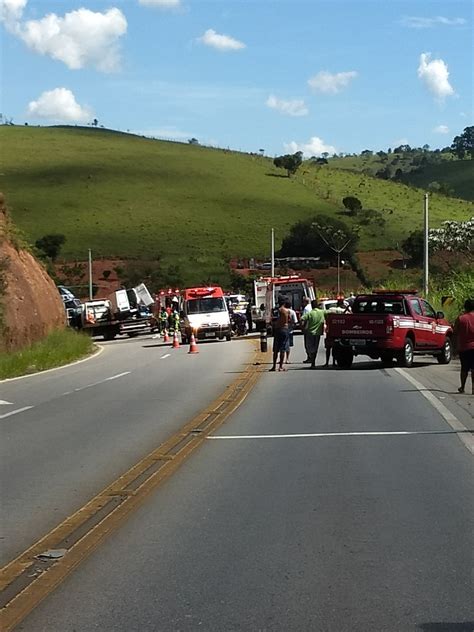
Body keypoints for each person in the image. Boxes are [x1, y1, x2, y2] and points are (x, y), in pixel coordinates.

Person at [453, 299, 474, 394]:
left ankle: (462, 387)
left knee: (464, 368)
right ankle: (473, 388)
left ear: (465, 307)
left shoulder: (461, 318)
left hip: (464, 348)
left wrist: (454, 348)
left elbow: (455, 333)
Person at [300, 299, 326, 369]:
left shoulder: (310, 313)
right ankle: (313, 362)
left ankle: (312, 362)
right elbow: (330, 313)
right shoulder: (322, 312)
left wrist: (302, 327)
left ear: (312, 306)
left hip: (310, 332)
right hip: (318, 333)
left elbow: (302, 319)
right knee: (315, 347)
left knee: (310, 347)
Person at [270, 296, 290, 372]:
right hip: (284, 329)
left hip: (277, 330)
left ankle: (274, 366)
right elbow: (288, 320)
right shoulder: (286, 311)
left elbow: (272, 321)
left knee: (276, 349)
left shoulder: (275, 310)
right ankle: (280, 366)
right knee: (283, 348)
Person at [324, 298, 346, 367]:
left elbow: (325, 316)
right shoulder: (344, 311)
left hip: (330, 331)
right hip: (340, 331)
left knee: (328, 348)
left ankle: (327, 362)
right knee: (336, 348)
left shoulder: (331, 310)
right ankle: (334, 362)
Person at [284, 298, 298, 364]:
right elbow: (295, 322)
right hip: (290, 331)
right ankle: (287, 359)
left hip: (283, 330)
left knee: (283, 345)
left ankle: (282, 358)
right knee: (288, 345)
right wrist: (293, 327)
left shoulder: (282, 311)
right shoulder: (292, 312)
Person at [301, 297, 312, 363]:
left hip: (307, 328)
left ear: (305, 302)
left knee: (307, 344)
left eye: (303, 302)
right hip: (313, 327)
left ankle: (309, 357)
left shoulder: (306, 308)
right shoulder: (311, 307)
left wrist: (302, 327)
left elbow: (304, 319)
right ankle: (312, 357)